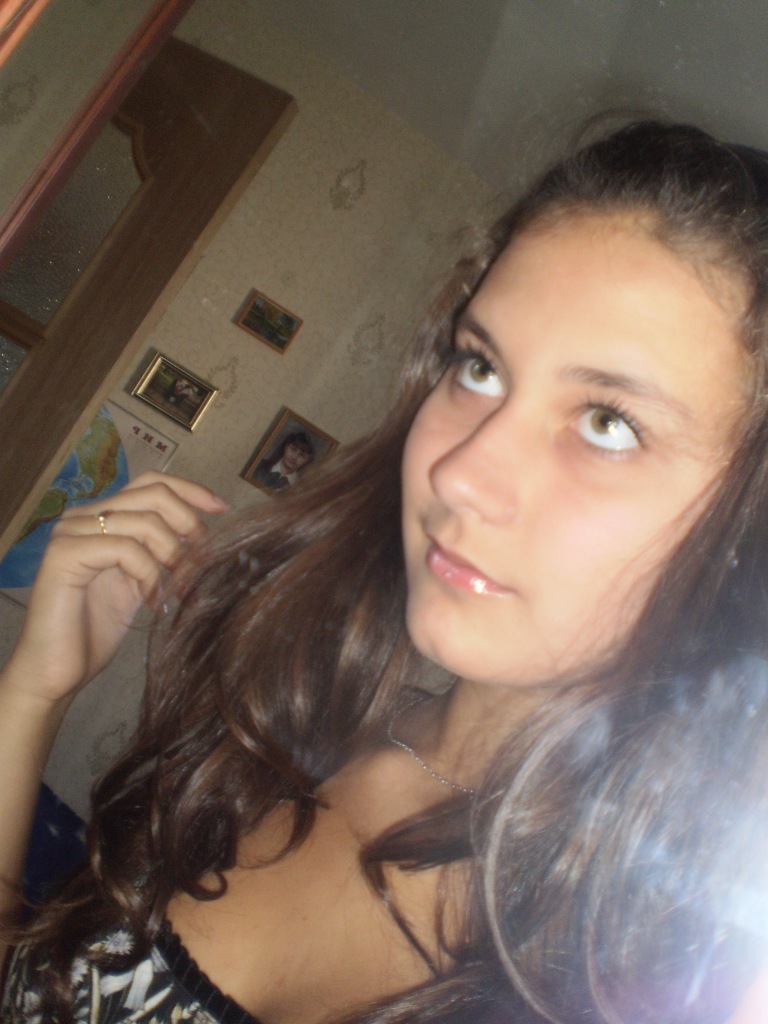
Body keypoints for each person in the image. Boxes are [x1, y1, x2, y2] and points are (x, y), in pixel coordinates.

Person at [2, 120, 768, 1024]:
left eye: (609, 422)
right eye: (479, 367)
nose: (460, 473)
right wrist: (33, 694)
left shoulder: (653, 977)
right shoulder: (283, 720)